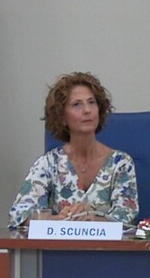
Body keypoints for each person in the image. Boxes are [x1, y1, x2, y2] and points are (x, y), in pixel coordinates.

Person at [9, 72, 139, 227]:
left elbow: (127, 217)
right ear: (62, 117)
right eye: (77, 104)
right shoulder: (49, 163)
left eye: (92, 102)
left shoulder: (121, 163)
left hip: (106, 243)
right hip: (61, 243)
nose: (87, 110)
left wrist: (95, 220)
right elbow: (18, 216)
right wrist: (58, 220)